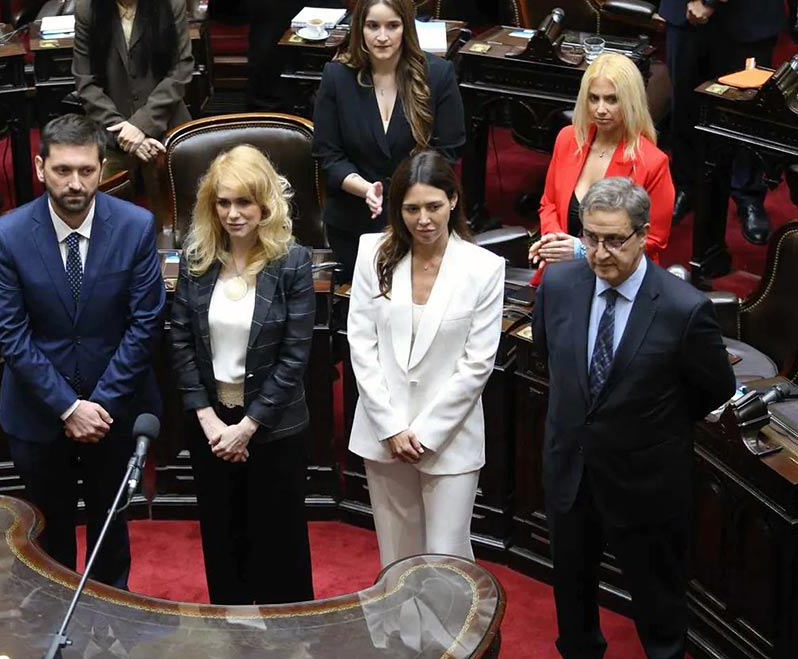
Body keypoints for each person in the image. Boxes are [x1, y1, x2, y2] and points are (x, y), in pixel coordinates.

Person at [533, 177, 735, 659]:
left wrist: (651, 425)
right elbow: (549, 357)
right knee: (572, 604)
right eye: (590, 238)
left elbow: (714, 388)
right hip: (571, 476)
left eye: (614, 240)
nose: (600, 253)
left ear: (643, 235)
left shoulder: (683, 309)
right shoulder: (559, 285)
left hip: (645, 485)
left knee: (659, 611)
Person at [0, 114, 166, 589]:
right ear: (40, 165)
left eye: (86, 171)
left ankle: (115, 624)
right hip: (39, 414)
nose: (75, 183)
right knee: (50, 539)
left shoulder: (135, 226)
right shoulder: (9, 234)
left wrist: (99, 407)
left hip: (116, 411)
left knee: (112, 531)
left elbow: (145, 323)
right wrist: (68, 407)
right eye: (63, 170)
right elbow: (10, 334)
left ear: (102, 167)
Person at [170, 144, 315, 605]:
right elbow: (180, 341)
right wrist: (211, 421)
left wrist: (248, 428)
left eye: (244, 202)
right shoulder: (198, 259)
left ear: (265, 204)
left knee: (280, 548)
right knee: (223, 543)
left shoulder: (292, 262)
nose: (234, 214)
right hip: (211, 430)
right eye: (224, 202)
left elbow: (295, 355)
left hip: (274, 432)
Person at [347, 150, 505, 568]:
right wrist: (392, 426)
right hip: (384, 433)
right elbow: (362, 344)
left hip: (449, 439)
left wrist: (426, 433)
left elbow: (477, 365)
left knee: (445, 557)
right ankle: (399, 637)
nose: (424, 220)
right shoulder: (372, 253)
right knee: (397, 557)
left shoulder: (483, 268)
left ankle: (453, 636)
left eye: (434, 206)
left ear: (453, 200)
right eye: (412, 209)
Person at [311, 0, 465, 280]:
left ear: (406, 28)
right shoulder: (336, 76)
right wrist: (366, 189)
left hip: (420, 222)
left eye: (392, 26)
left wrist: (404, 197)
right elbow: (328, 156)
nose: (382, 37)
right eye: (373, 26)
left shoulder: (438, 75)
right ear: (360, 29)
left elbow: (446, 152)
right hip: (354, 220)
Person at [529, 53, 674, 284]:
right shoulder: (568, 139)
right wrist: (555, 243)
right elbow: (549, 203)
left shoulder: (652, 161)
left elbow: (654, 239)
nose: (600, 109)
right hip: (562, 274)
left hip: (619, 279)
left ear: (630, 101)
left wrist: (582, 250)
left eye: (612, 99)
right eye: (593, 98)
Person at [660, 0, 786, 245]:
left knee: (748, 112)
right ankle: (686, 184)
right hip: (685, 14)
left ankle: (748, 194)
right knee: (686, 106)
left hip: (748, 17)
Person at [73, 0, 194, 225]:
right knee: (99, 212)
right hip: (111, 128)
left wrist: (141, 125)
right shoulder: (88, 8)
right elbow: (85, 82)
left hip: (166, 120)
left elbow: (181, 70)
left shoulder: (171, 4)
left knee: (180, 218)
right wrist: (124, 131)